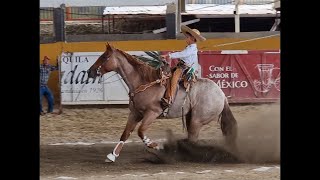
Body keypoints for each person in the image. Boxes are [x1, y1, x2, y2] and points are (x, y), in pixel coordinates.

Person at [160, 25, 206, 107]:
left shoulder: (191, 48)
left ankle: (170, 98)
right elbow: (183, 54)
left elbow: (183, 54)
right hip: (182, 66)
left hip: (186, 68)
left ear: (192, 39)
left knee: (174, 78)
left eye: (187, 37)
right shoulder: (190, 48)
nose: (186, 39)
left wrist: (169, 55)